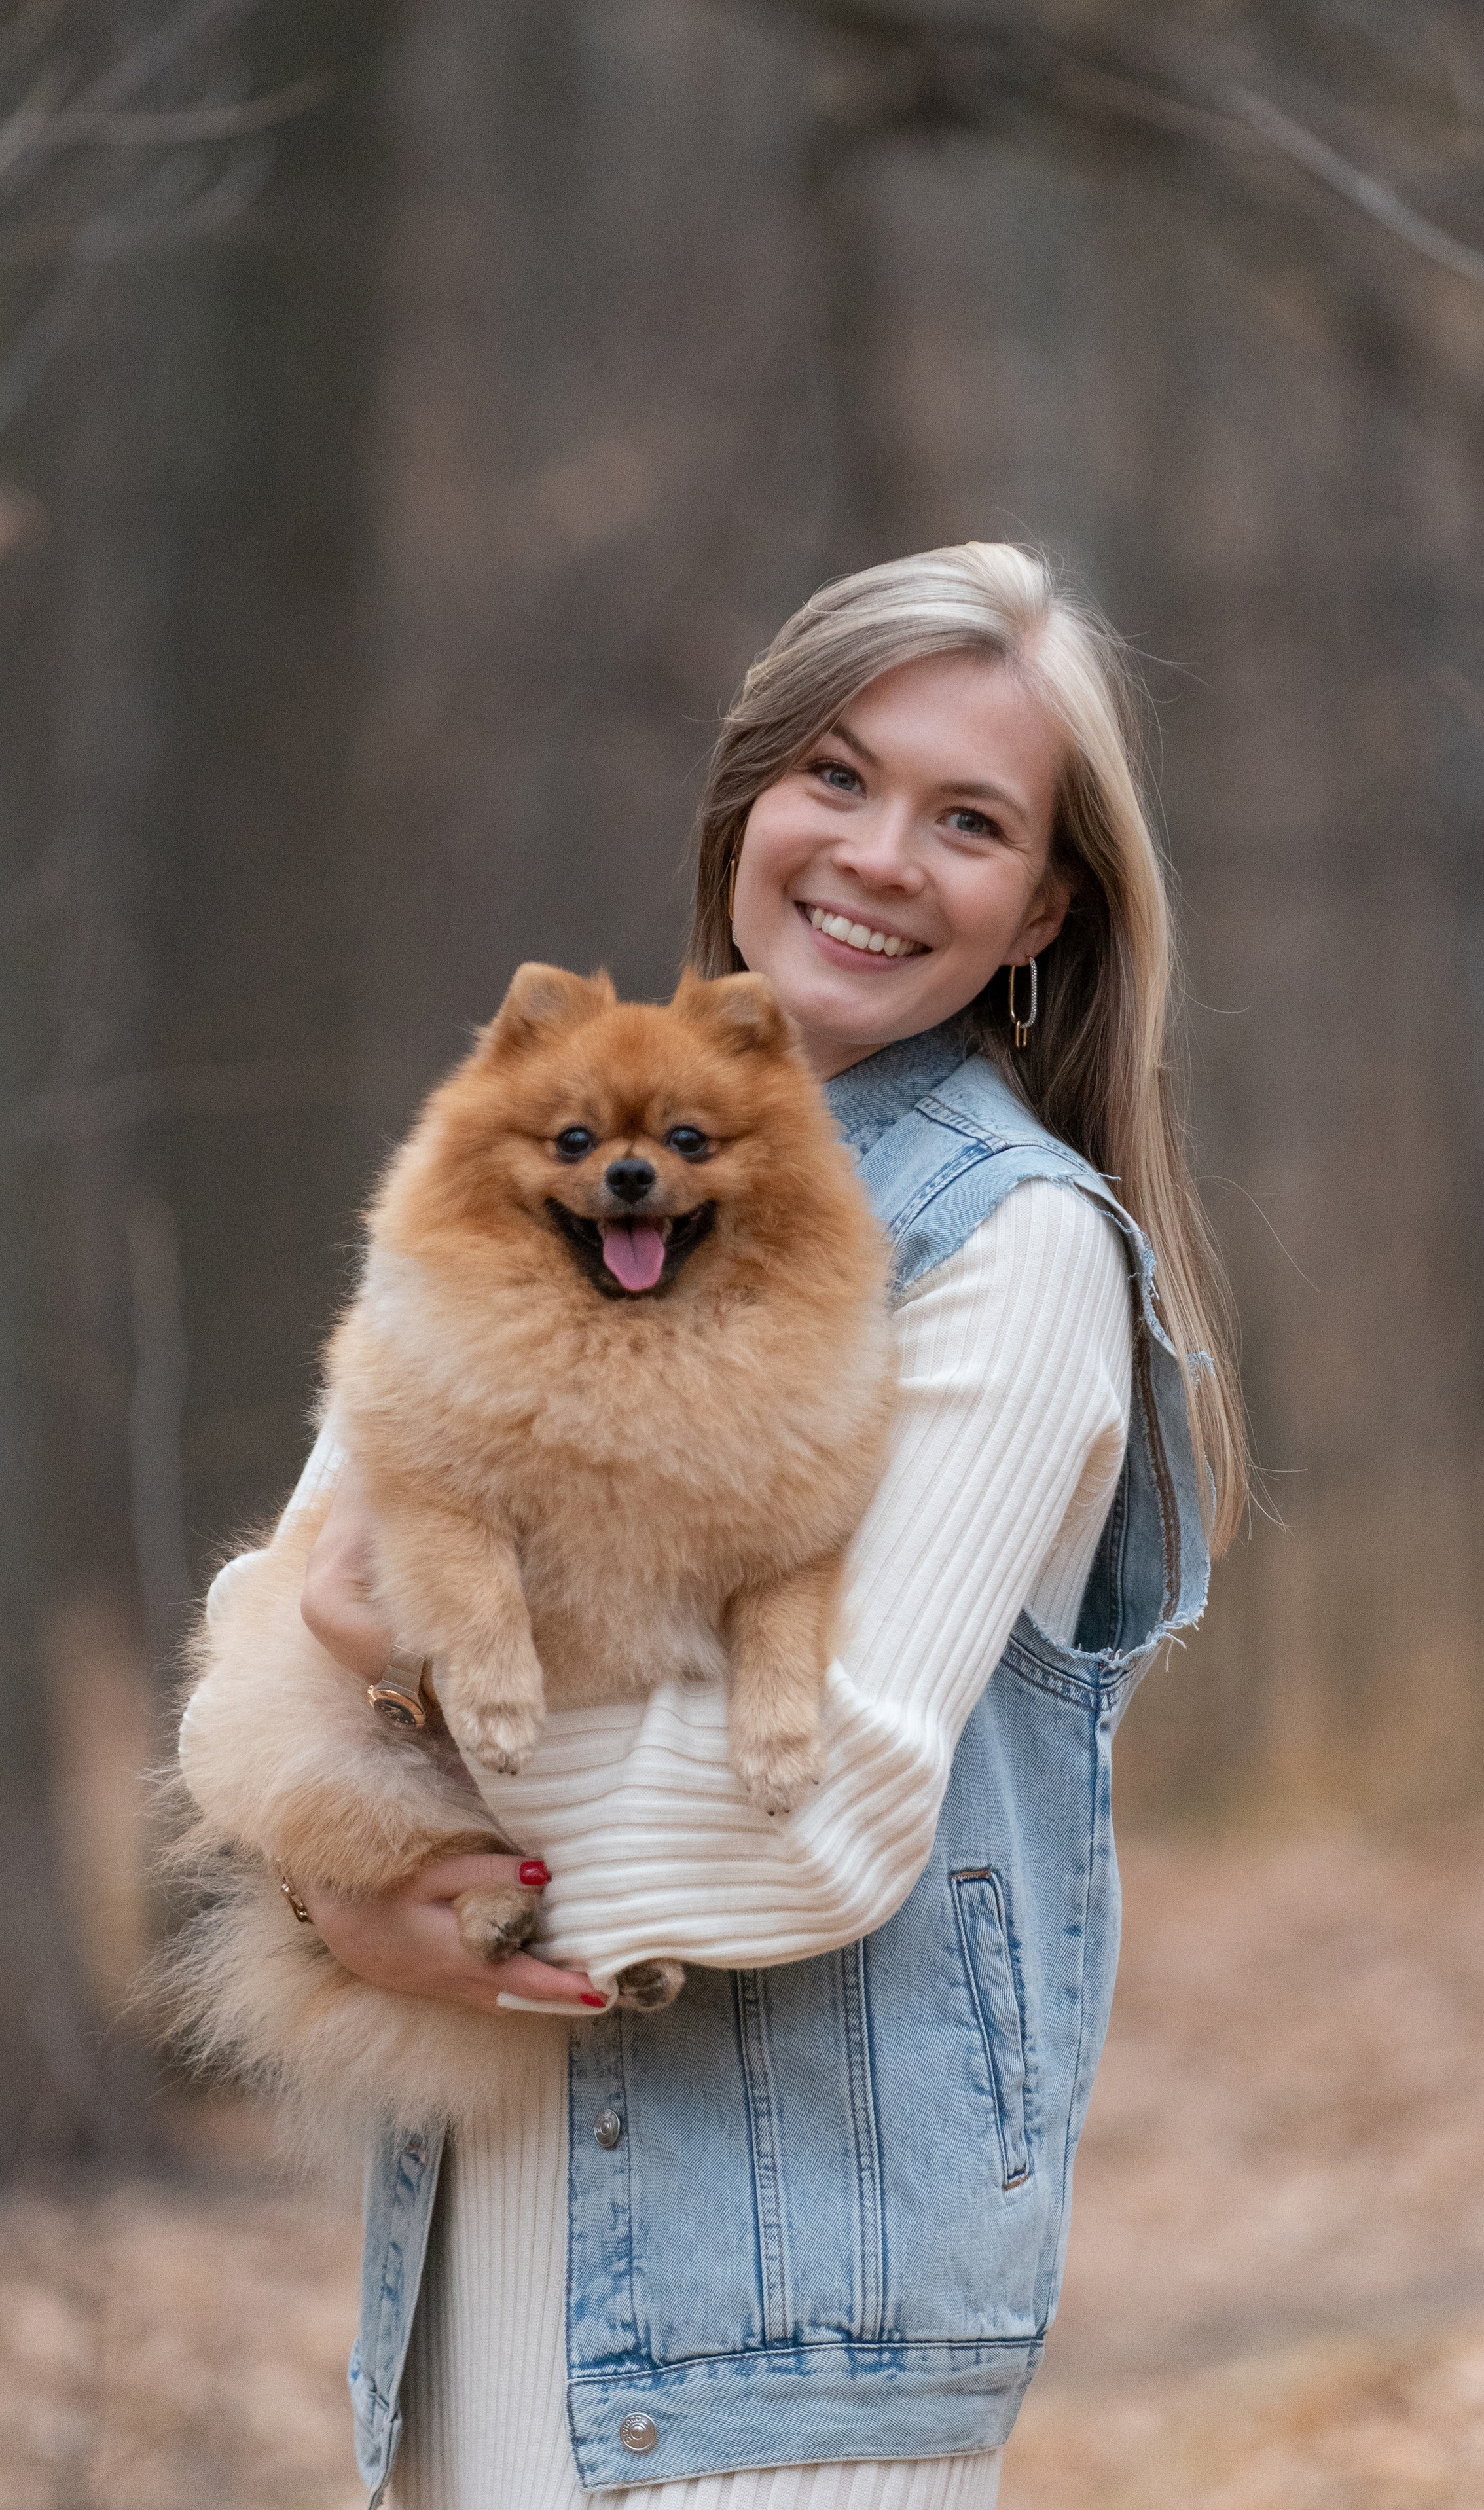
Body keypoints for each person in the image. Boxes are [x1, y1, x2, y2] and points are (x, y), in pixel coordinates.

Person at [203, 543, 1247, 2509]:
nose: (876, 854)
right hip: (476, 2258)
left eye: (969, 821)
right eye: (837, 776)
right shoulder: (545, 1169)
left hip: (782, 2337)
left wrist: (413, 1832)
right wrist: (321, 1875)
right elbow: (283, 1623)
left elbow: (837, 1799)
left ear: (1043, 906)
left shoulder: (1008, 1247)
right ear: (749, 798)